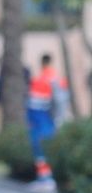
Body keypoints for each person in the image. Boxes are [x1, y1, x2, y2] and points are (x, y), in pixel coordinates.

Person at [27, 53, 68, 182]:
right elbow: (61, 101)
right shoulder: (55, 79)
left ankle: (46, 178)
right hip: (45, 118)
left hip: (43, 119)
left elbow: (34, 101)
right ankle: (45, 178)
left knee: (40, 148)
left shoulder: (41, 79)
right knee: (43, 148)